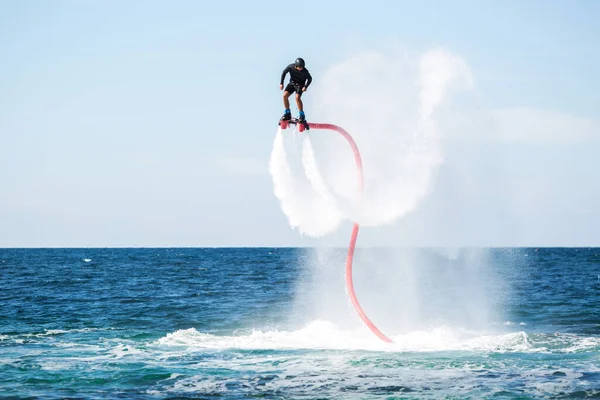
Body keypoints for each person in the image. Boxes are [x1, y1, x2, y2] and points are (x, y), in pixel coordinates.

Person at [280, 57, 312, 122]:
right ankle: (287, 113)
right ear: (296, 66)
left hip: (300, 85)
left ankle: (301, 115)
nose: (301, 69)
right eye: (300, 67)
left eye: (302, 67)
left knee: (297, 98)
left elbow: (310, 79)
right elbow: (284, 72)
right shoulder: (290, 67)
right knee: (284, 96)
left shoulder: (305, 71)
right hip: (292, 83)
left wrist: (305, 86)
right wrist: (281, 83)